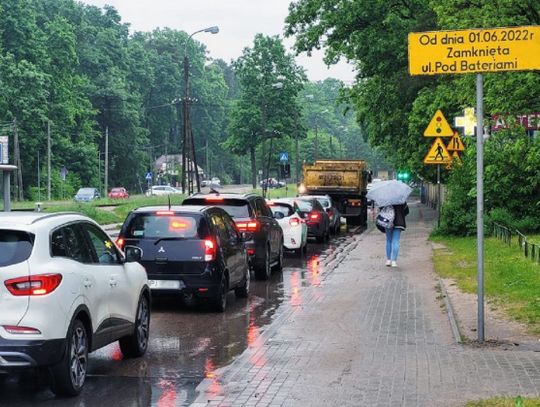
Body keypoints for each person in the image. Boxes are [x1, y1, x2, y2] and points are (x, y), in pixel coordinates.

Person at [385, 202, 409, 268]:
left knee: (388, 240)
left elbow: (381, 210)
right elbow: (406, 211)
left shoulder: (385, 199)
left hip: (388, 222)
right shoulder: (401, 199)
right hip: (399, 222)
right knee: (396, 241)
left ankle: (388, 260)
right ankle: (394, 261)